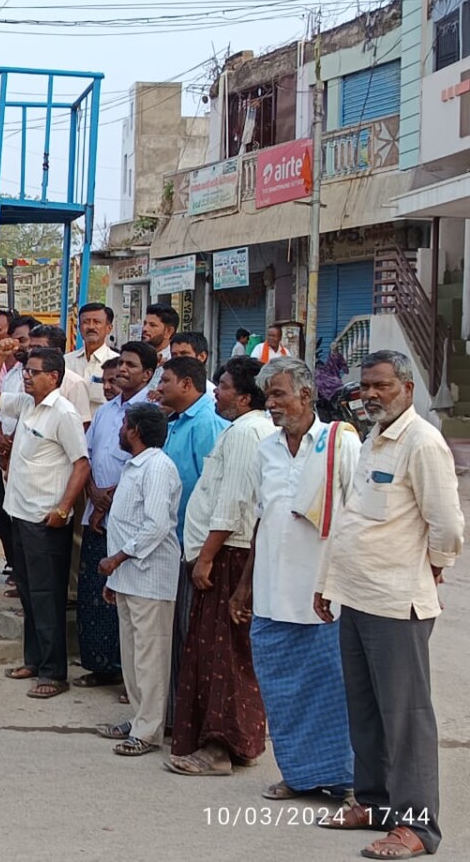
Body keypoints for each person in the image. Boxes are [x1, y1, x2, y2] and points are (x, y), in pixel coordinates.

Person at [317, 351, 464, 860]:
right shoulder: (374, 440)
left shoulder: (422, 443)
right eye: (365, 387)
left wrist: (436, 565)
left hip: (397, 603)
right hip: (356, 596)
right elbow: (352, 522)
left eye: (381, 385)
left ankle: (417, 827)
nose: (371, 395)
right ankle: (375, 804)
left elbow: (446, 524)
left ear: (407, 388)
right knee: (366, 712)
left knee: (406, 718)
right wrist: (328, 583)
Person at [230, 356, 359, 802]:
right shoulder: (265, 448)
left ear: (306, 396)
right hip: (270, 593)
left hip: (324, 595)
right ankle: (299, 775)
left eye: (279, 394)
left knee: (331, 690)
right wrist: (244, 585)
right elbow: (263, 518)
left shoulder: (340, 444)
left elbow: (357, 518)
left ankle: (343, 779)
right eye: (268, 395)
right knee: (281, 690)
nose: (272, 404)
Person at [167, 357, 275, 776]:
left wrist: (206, 557)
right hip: (226, 554)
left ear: (245, 397)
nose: (217, 391)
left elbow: (232, 505)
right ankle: (236, 740)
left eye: (225, 386)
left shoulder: (247, 433)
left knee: (222, 657)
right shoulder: (244, 431)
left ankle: (219, 748)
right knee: (222, 653)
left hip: (228, 557)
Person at [0, 340, 90, 700]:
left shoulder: (64, 414)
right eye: (26, 371)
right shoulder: (27, 404)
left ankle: (54, 672)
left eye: (34, 372)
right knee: (29, 594)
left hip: (46, 519)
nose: (26, 377)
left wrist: (63, 509)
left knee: (47, 596)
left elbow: (81, 464)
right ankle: (34, 659)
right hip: (19, 514)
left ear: (54, 377)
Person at [96, 403, 182, 757]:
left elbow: (157, 525)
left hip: (150, 577)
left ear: (133, 430)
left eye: (123, 425)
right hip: (127, 576)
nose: (119, 430)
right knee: (132, 653)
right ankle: (139, 717)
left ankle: (149, 730)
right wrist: (114, 576)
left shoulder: (158, 467)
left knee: (150, 654)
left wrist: (117, 558)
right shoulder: (135, 466)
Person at [76, 341, 157, 690]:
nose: (122, 369)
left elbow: (146, 463)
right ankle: (100, 666)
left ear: (149, 374)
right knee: (95, 594)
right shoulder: (108, 410)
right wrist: (93, 494)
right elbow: (87, 454)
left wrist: (110, 499)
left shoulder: (151, 411)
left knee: (126, 602)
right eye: (120, 363)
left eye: (131, 365)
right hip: (97, 510)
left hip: (129, 519)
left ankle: (130, 678)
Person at [158, 356, 229, 729]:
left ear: (187, 384)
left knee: (191, 635)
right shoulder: (175, 422)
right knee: (175, 634)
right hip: (173, 544)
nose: (161, 385)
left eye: (166, 380)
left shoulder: (206, 425)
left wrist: (206, 553)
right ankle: (173, 715)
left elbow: (214, 490)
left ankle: (193, 719)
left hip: (194, 546)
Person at [0, 314, 40, 584]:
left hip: (26, 454)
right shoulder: (13, 373)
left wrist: (12, 442)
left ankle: (23, 574)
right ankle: (14, 564)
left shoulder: (44, 375)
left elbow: (32, 413)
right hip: (2, 449)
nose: (19, 345)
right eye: (15, 340)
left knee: (20, 513)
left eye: (23, 340)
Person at [66, 302, 119, 416]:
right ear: (79, 328)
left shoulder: (117, 363)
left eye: (97, 322)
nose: (91, 327)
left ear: (109, 328)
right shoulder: (66, 362)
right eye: (86, 322)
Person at [142, 303, 179, 398]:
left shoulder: (174, 362)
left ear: (168, 331)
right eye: (145, 324)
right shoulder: (137, 358)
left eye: (152, 325)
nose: (145, 329)